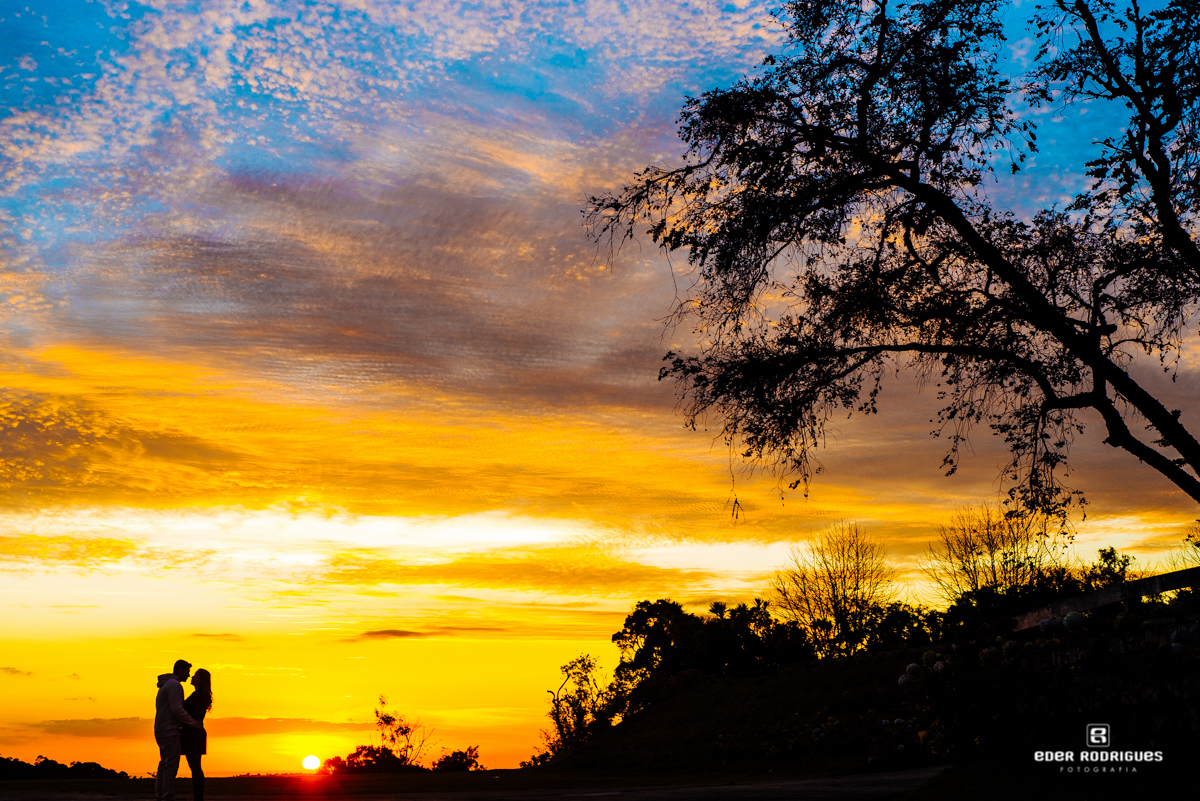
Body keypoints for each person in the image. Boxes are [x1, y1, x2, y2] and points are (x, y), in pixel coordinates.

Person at [154, 660, 202, 801]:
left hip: (161, 728)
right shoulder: (175, 685)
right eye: (187, 671)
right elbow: (177, 710)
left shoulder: (166, 685)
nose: (188, 675)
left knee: (164, 762)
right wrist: (193, 723)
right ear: (180, 670)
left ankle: (160, 793)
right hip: (169, 729)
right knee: (171, 764)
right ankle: (167, 795)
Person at [180, 669, 212, 801]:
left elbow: (195, 714)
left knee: (195, 766)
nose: (192, 677)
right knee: (194, 766)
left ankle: (198, 796)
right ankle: (197, 796)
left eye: (195, 675)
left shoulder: (202, 695)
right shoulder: (197, 694)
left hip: (194, 733)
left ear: (200, 679)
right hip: (191, 732)